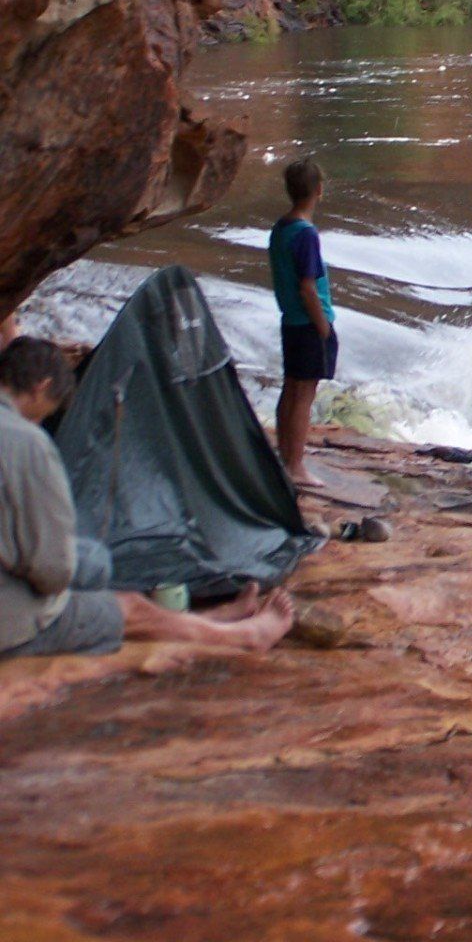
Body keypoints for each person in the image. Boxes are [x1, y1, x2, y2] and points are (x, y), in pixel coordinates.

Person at [0, 338, 294, 659]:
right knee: (128, 606)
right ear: (42, 387)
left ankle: (199, 621)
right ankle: (245, 637)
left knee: (93, 561)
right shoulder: (27, 443)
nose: (41, 422)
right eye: (45, 414)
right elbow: (50, 571)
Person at [269, 157, 336, 486]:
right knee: (304, 394)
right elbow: (308, 287)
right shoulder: (306, 234)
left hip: (290, 321)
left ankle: (285, 459)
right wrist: (323, 325)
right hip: (309, 323)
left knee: (290, 389)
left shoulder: (281, 228)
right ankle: (296, 467)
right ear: (319, 190)